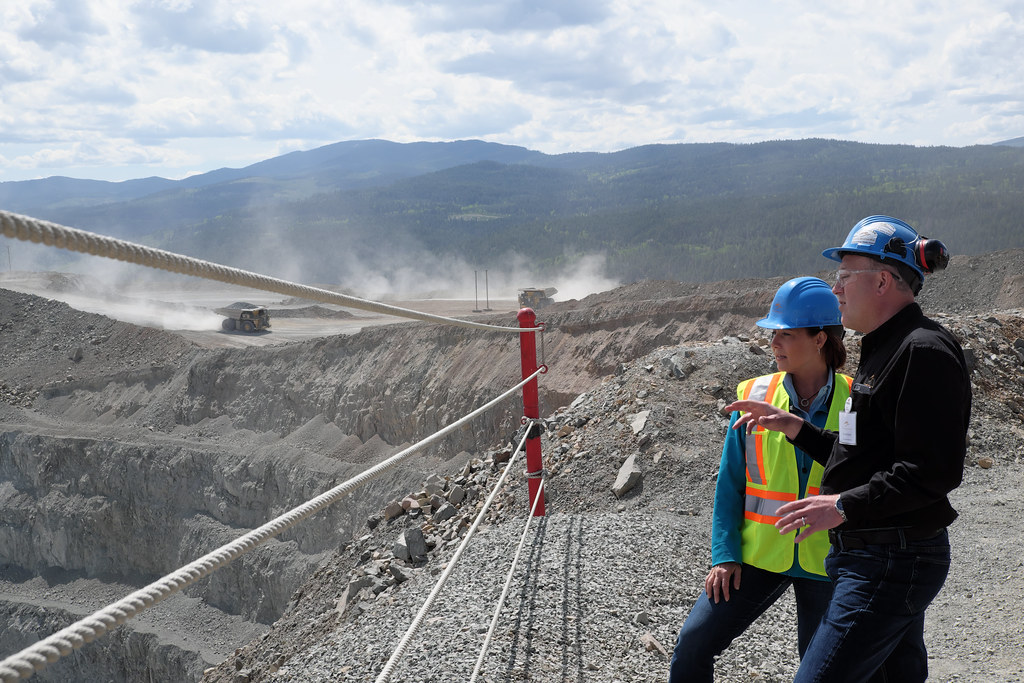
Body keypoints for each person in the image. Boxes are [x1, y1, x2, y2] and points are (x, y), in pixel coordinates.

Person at [728, 215, 971, 682]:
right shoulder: (883, 349)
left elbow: (931, 472)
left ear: (882, 281)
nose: (835, 290)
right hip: (876, 551)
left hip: (892, 558)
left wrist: (840, 504)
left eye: (843, 278)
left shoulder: (923, 351)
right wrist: (797, 428)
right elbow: (866, 454)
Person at [668, 277, 852, 683]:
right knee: (692, 648)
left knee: (821, 673)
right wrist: (724, 553)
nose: (774, 343)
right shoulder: (754, 395)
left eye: (786, 334)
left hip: (828, 562)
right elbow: (731, 483)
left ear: (820, 338)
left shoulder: (857, 401)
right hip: (758, 556)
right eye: (772, 334)